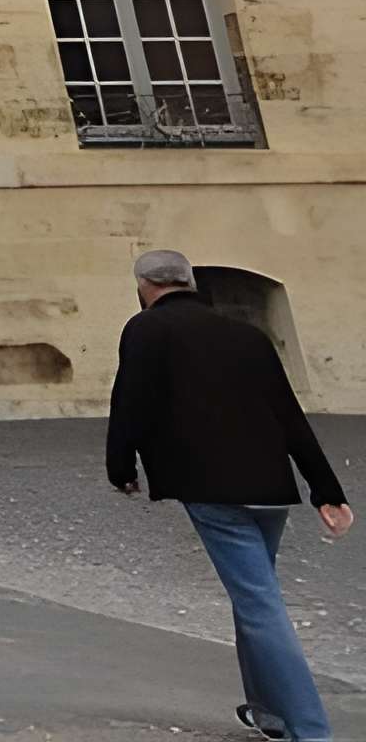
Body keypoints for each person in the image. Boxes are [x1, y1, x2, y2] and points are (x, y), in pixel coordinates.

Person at [108, 248, 351, 739]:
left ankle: (311, 729)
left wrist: (121, 466)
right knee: (254, 595)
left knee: (260, 603)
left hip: (208, 485)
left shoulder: (146, 330)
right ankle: (268, 712)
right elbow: (288, 413)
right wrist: (325, 488)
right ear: (190, 282)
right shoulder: (248, 336)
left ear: (143, 287)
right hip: (270, 486)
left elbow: (129, 400)